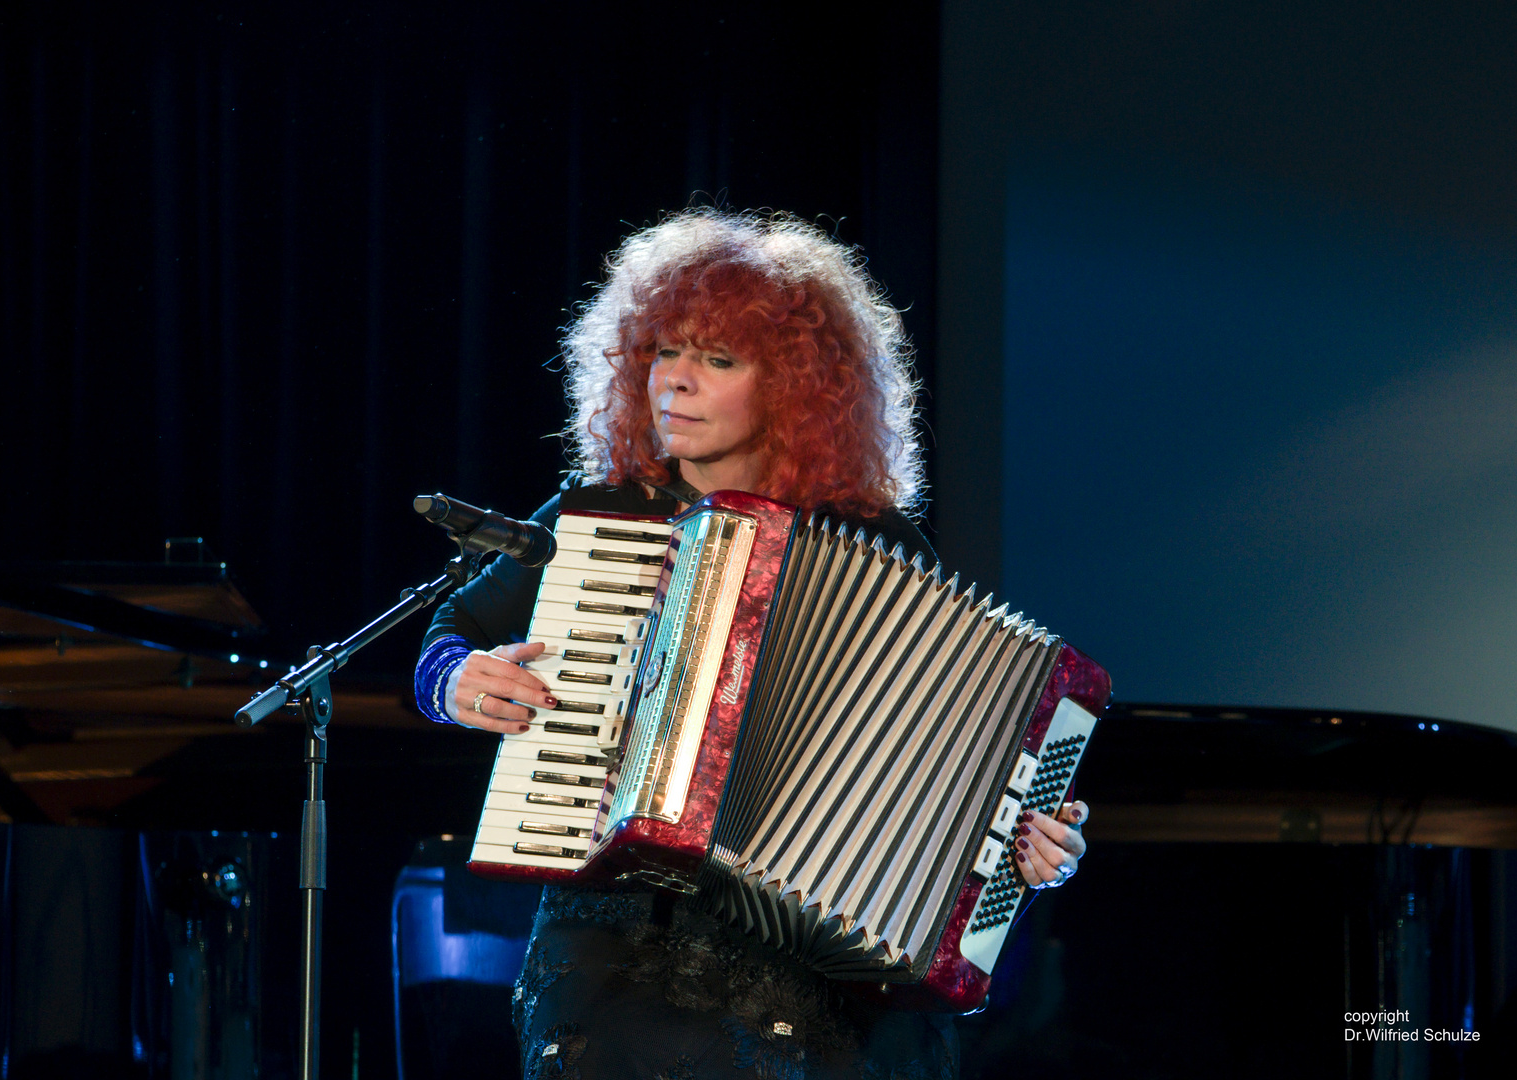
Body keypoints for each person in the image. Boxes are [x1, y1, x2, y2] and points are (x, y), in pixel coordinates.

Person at [414, 209, 1089, 1079]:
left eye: (717, 360)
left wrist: (1025, 844)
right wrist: (454, 681)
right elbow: (452, 634)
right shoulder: (600, 520)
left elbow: (961, 762)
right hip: (620, 959)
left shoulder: (877, 543)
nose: (675, 382)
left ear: (794, 387)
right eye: (663, 351)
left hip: (817, 988)